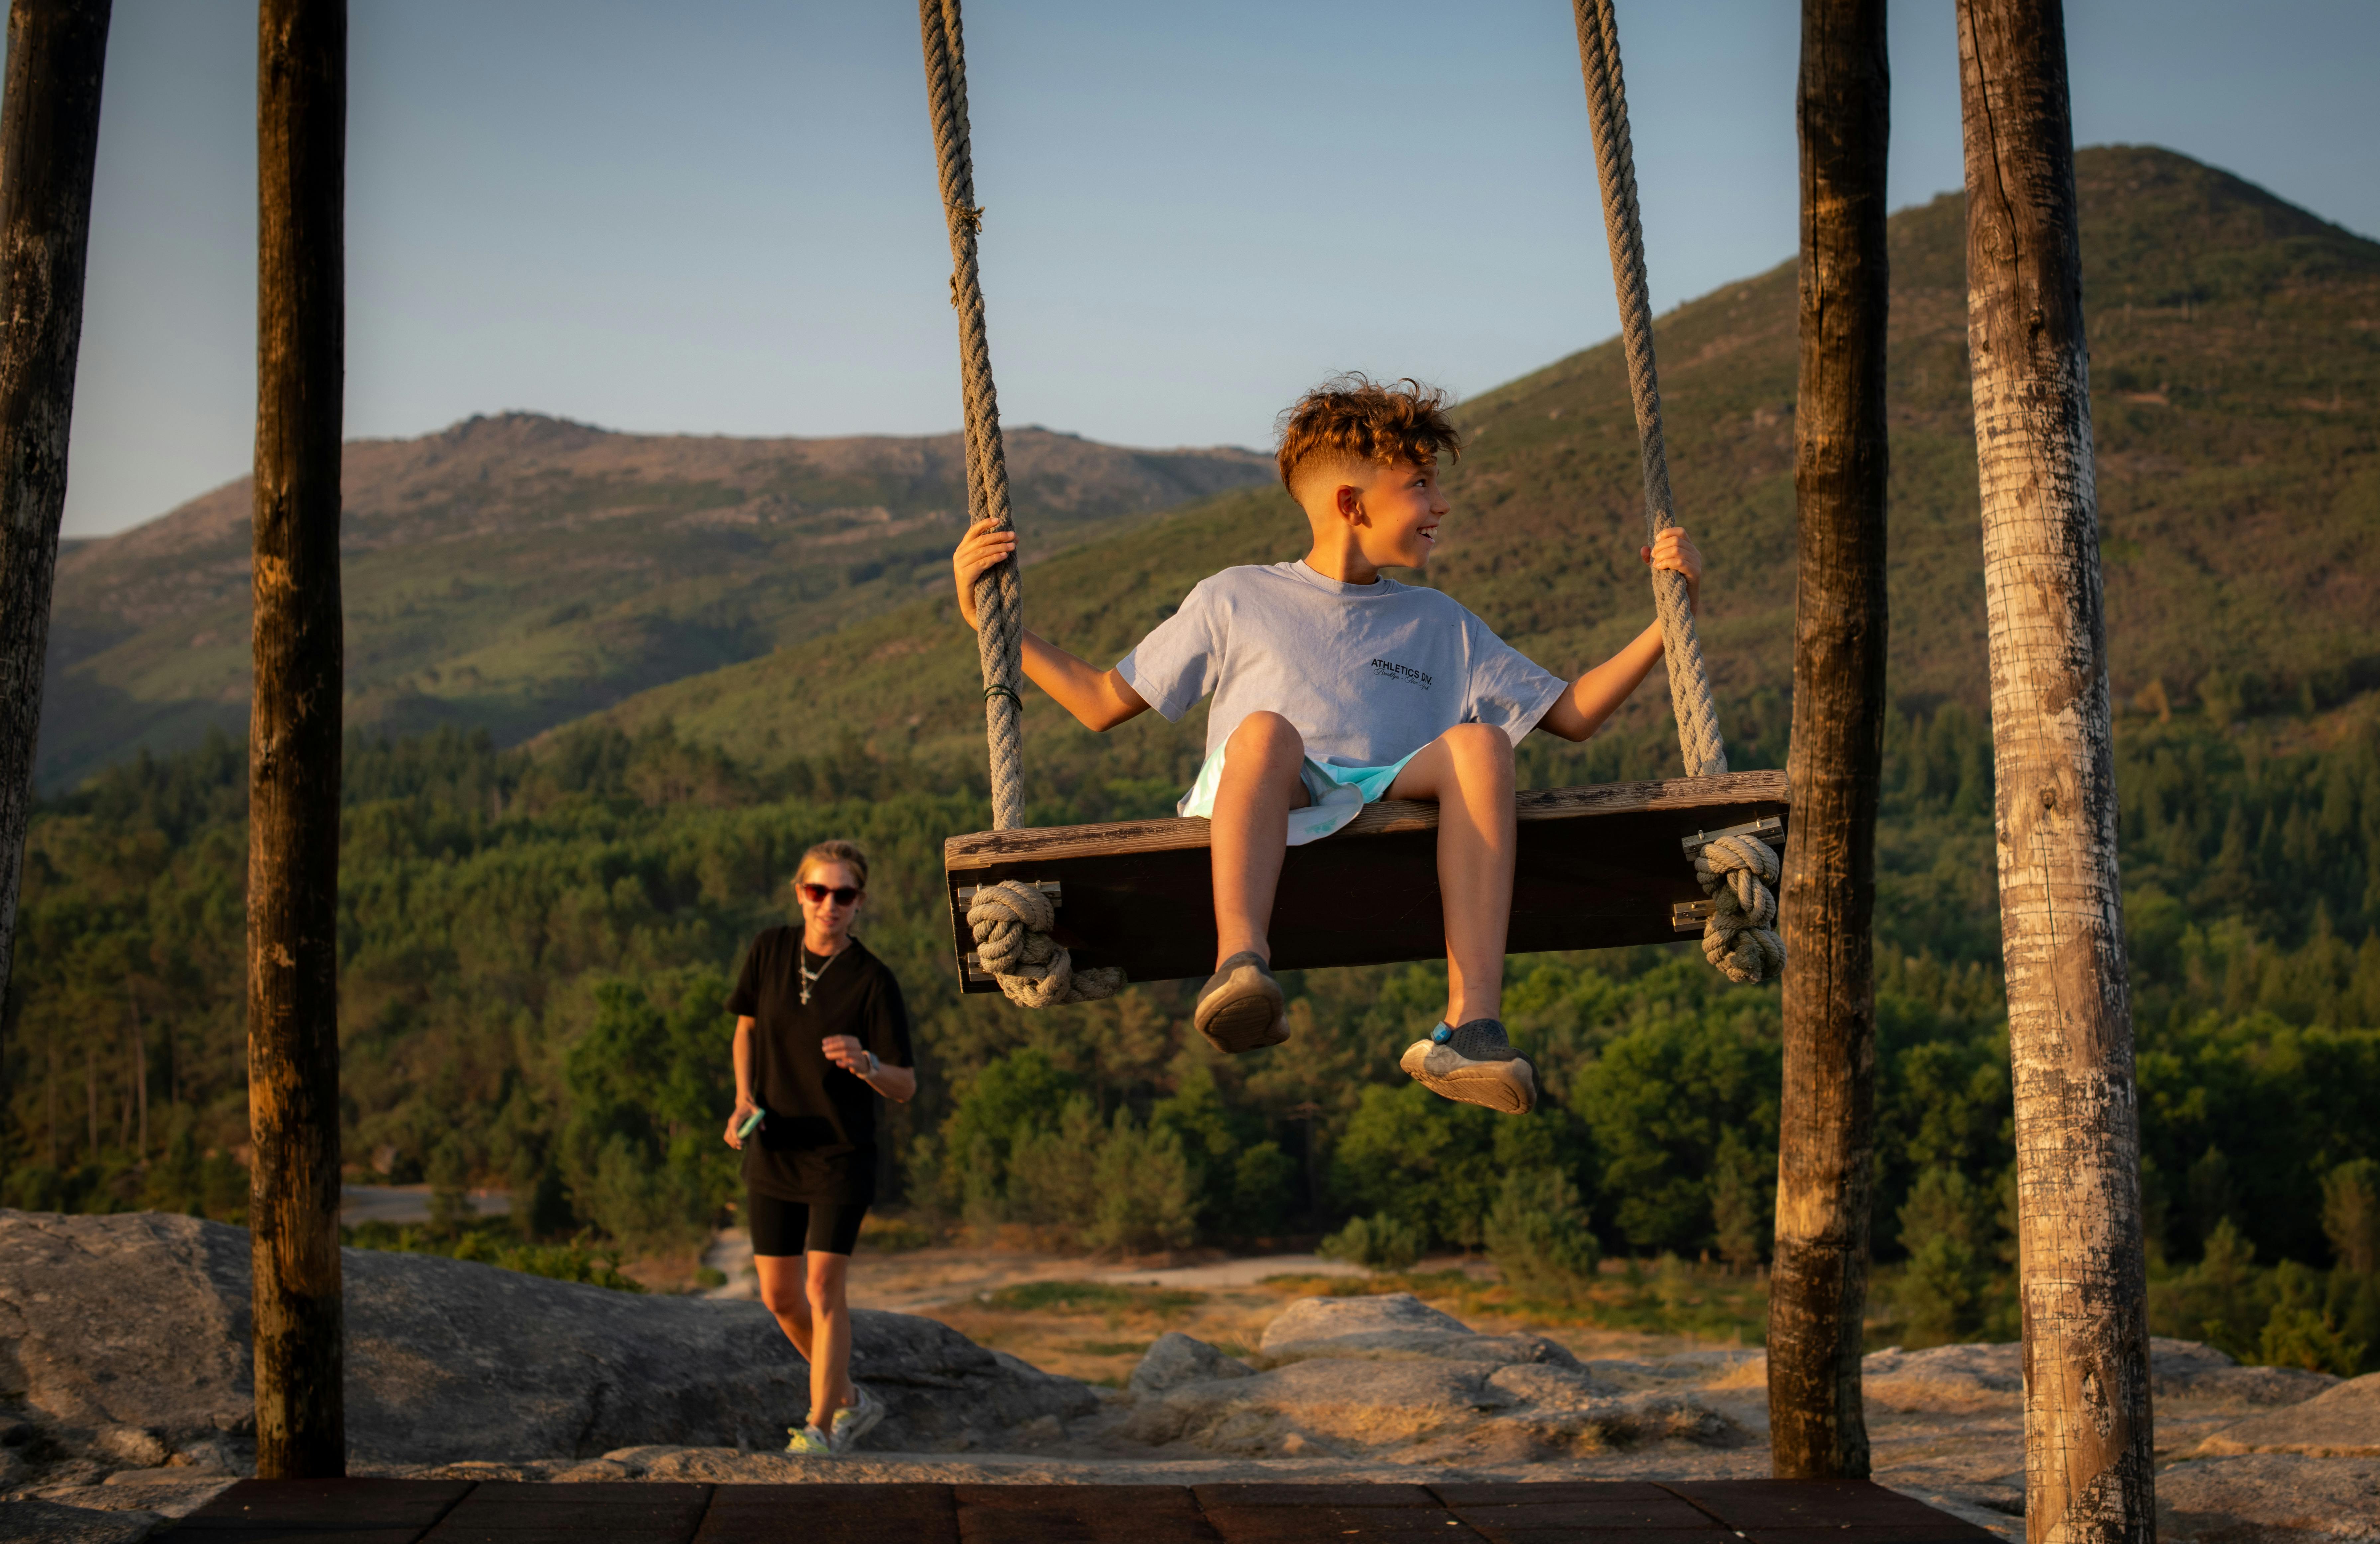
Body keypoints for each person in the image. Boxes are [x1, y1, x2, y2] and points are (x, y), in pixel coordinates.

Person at [947, 374, 1703, 1117]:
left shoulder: (1441, 622)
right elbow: (1099, 701)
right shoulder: (1236, 595)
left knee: (1482, 746)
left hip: (1383, 790)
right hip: (1265, 789)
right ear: (1352, 504)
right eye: (1420, 485)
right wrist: (991, 623)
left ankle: (1472, 1026)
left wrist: (1670, 620)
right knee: (1268, 730)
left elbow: (1572, 714)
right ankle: (1240, 964)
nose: (1441, 504)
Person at [721, 838, 916, 1456]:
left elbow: (905, 1086)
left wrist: (867, 1064)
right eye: (818, 891)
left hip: (840, 1154)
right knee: (779, 1297)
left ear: (860, 903)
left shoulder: (873, 981)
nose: (830, 904)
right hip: (775, 1145)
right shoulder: (769, 950)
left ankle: (823, 1427)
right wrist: (743, 1099)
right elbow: (746, 1029)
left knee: (823, 1290)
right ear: (799, 894)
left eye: (844, 894)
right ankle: (852, 1399)